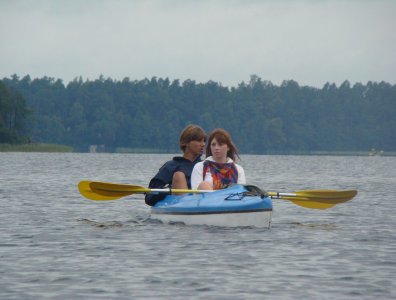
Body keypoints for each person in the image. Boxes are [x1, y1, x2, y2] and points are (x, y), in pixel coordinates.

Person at [144, 124, 206, 206]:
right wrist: (169, 190)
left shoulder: (206, 166)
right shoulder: (171, 166)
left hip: (203, 204)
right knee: (179, 175)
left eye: (204, 141)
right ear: (186, 143)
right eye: (199, 141)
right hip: (182, 207)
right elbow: (149, 197)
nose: (203, 144)